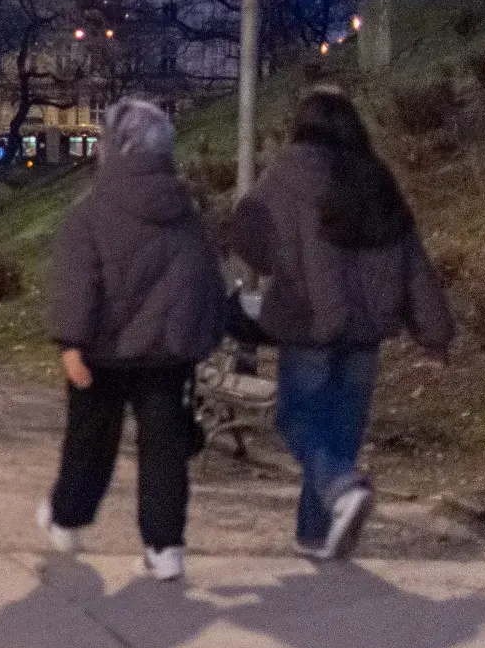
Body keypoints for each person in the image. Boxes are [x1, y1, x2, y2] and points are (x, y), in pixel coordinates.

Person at [235, 87, 454, 561]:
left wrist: (271, 254)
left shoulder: (287, 171)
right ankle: (316, 534)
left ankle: (340, 491)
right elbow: (412, 257)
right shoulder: (376, 178)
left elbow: (252, 240)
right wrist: (434, 332)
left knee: (297, 418)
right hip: (367, 332)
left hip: (311, 323)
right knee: (339, 432)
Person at [41, 98, 227, 583]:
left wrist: (71, 342)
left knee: (89, 442)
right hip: (166, 354)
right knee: (164, 450)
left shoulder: (92, 210)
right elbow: (201, 279)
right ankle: (165, 547)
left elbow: (78, 279)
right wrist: (193, 338)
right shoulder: (185, 210)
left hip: (101, 352)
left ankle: (69, 519)